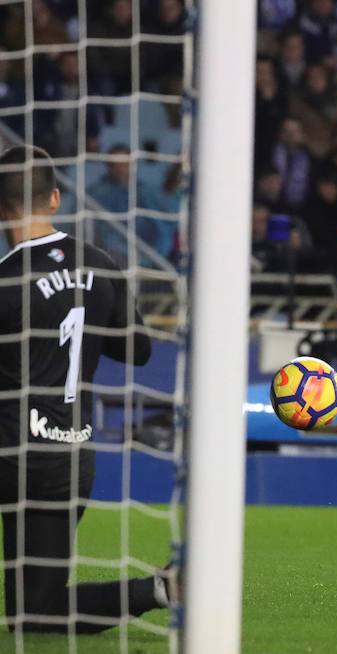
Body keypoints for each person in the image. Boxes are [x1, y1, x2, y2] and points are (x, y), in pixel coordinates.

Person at [0, 146, 173, 632]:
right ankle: (156, 589)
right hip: (70, 460)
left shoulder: (6, 281)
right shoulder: (101, 262)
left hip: (12, 455)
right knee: (33, 614)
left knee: (31, 612)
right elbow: (138, 350)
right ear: (54, 199)